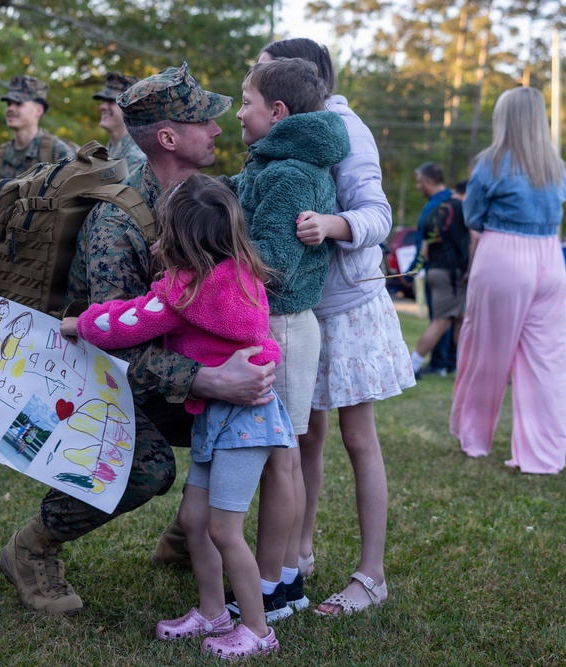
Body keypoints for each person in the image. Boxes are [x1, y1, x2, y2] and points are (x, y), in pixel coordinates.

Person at [0, 63, 276, 618]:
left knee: (256, 425)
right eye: (205, 121)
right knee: (148, 467)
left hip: (160, 369)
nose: (219, 130)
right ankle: (31, 547)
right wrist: (207, 379)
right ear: (169, 138)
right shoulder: (118, 221)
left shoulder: (206, 198)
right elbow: (114, 341)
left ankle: (188, 535)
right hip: (86, 369)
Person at [62, 174, 289, 658]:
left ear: (183, 241)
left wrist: (76, 324)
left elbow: (124, 322)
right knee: (193, 519)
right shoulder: (234, 272)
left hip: (242, 424)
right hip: (222, 415)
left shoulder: (189, 294)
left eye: (165, 231)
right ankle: (212, 613)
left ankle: (258, 630)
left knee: (225, 530)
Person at [257, 37, 416, 616]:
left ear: (303, 80)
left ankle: (371, 576)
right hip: (302, 311)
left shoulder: (347, 129)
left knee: (358, 438)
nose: (258, 84)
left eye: (265, 74)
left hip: (348, 306)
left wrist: (331, 223)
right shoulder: (285, 138)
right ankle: (297, 554)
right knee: (303, 436)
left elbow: (379, 215)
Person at [223, 56, 350, 622]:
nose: (239, 114)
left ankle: (275, 583)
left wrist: (208, 260)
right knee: (283, 455)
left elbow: (270, 262)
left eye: (246, 102)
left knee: (281, 458)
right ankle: (285, 574)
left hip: (281, 329)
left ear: (277, 112)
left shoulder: (291, 174)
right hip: (271, 325)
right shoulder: (271, 163)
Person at [450, 86, 566, 474]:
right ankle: (543, 456)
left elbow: (472, 216)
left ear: (504, 118)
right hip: (550, 259)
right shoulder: (555, 166)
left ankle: (474, 438)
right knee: (547, 361)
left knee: (485, 353)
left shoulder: (490, 161)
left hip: (503, 253)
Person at [407, 165, 475, 377]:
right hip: (452, 274)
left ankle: (462, 366)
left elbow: (424, 247)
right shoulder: (463, 209)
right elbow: (474, 239)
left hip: (435, 271)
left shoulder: (434, 210)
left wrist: (418, 269)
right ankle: (411, 366)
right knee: (441, 321)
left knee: (460, 318)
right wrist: (470, 270)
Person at [0, 75, 78, 202]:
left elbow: (72, 202)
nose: (10, 109)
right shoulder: (2, 154)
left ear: (38, 110)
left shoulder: (57, 151)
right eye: (9, 104)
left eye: (19, 104)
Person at [93, 71, 147, 172]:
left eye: (111, 101)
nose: (102, 107)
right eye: (102, 101)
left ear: (131, 108)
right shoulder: (107, 151)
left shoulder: (138, 157)